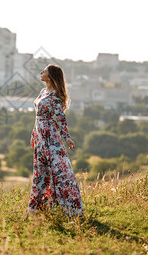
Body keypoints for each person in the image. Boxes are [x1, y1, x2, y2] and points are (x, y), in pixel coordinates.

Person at [27, 64, 84, 217]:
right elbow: (37, 116)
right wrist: (34, 135)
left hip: (50, 137)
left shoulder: (55, 96)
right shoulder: (43, 92)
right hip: (40, 135)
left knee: (58, 170)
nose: (41, 72)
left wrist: (67, 138)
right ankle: (37, 207)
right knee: (40, 171)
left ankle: (69, 207)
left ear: (51, 76)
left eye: (44, 71)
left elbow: (60, 119)